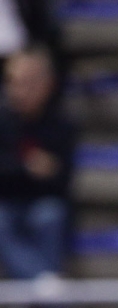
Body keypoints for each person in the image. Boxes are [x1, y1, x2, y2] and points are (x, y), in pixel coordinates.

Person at [0, 47, 73, 279]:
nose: (20, 91)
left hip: (44, 203)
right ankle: (44, 283)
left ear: (47, 84)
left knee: (50, 216)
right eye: (14, 82)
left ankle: (42, 287)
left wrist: (45, 171)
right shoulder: (3, 122)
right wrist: (27, 168)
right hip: (6, 204)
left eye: (29, 83)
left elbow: (64, 179)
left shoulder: (61, 124)